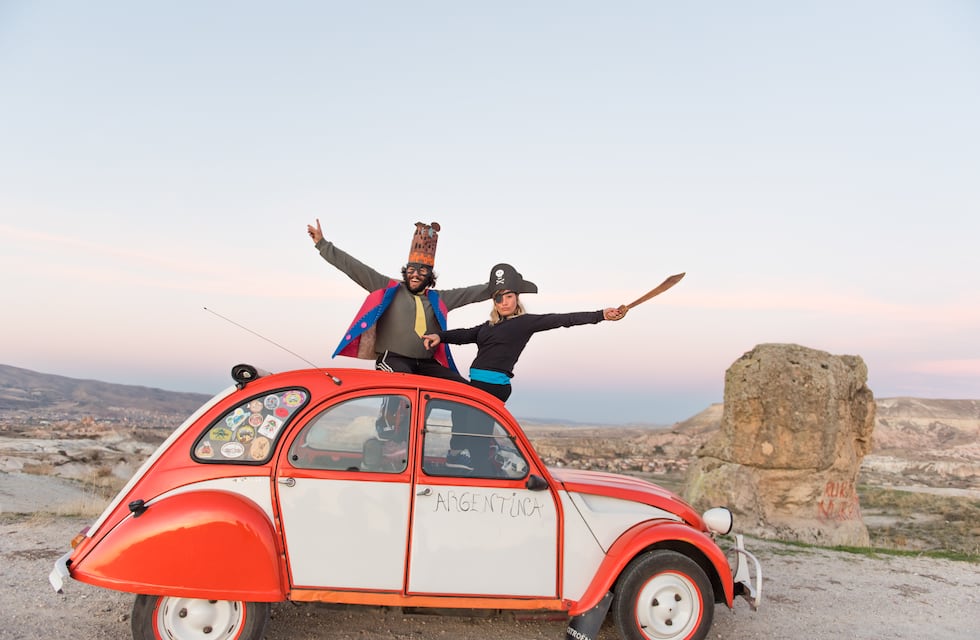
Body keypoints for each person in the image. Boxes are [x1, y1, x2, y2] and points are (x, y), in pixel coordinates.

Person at [422, 263, 626, 469]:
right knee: (460, 415)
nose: (504, 302)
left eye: (509, 296)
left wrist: (601, 315)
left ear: (517, 298)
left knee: (477, 437)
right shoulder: (488, 326)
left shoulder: (524, 323)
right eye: (498, 298)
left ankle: (480, 468)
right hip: (477, 385)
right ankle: (457, 456)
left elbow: (563, 319)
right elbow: (464, 334)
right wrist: (439, 336)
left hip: (492, 387)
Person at [307, 218, 491, 380]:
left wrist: (503, 284)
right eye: (411, 270)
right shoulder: (390, 288)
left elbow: (472, 293)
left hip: (426, 363)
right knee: (404, 383)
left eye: (422, 271)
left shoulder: (439, 298)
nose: (415, 275)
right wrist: (323, 244)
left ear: (429, 276)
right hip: (393, 359)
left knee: (460, 389)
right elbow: (355, 268)